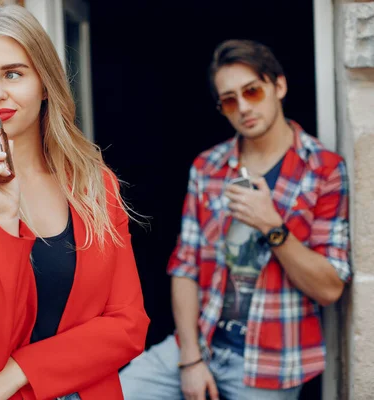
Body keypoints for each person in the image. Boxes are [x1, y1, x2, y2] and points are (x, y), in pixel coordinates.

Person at [0, 5, 149, 400]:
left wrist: (23, 371)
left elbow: (128, 325)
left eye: (12, 73)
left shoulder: (96, 185)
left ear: (44, 82)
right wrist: (5, 219)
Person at [119, 39, 351, 400]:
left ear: (279, 86)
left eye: (252, 91)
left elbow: (329, 287)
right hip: (199, 344)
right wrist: (191, 360)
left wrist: (272, 226)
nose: (243, 107)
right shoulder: (208, 167)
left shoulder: (324, 170)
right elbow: (185, 267)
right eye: (230, 99)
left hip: (271, 365)